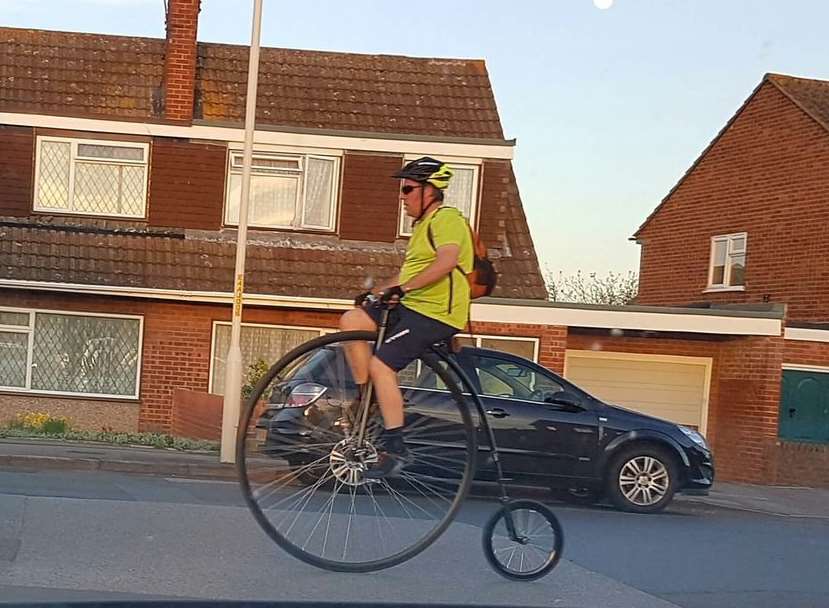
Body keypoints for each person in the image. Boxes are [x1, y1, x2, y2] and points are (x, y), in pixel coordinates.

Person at [339, 156, 474, 478]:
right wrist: (378, 294)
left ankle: (395, 445)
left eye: (408, 189)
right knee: (352, 321)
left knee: (382, 364)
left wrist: (405, 287)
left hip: (437, 312)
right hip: (414, 305)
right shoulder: (422, 227)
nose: (402, 196)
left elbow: (446, 262)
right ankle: (367, 397)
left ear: (430, 191)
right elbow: (406, 275)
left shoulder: (447, 219)